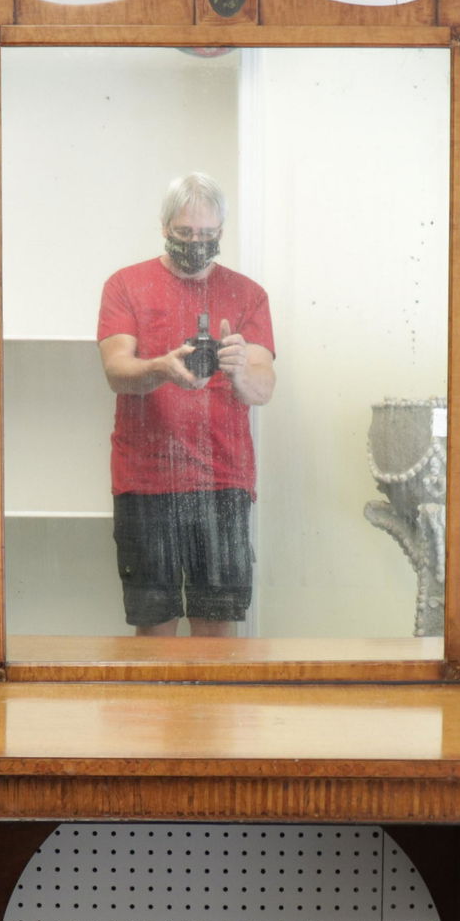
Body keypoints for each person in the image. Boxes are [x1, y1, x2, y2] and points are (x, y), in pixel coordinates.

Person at [96, 173, 276, 636]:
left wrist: (236, 369)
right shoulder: (126, 285)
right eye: (184, 233)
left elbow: (263, 390)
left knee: (217, 629)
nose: (196, 243)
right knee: (153, 626)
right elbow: (116, 371)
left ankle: (210, 711)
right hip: (145, 480)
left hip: (222, 479)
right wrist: (162, 367)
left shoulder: (248, 294)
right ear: (164, 227)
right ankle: (158, 711)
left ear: (221, 231)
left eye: (207, 234)